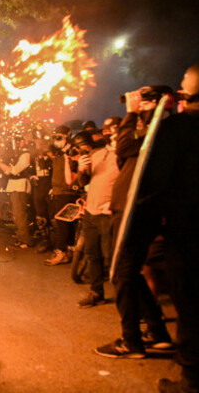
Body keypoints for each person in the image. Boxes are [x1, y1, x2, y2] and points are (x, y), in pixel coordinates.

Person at [134, 63, 199, 393]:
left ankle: (192, 381)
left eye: (185, 89)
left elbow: (151, 185)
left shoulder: (178, 128)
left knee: (190, 308)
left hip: (188, 235)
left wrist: (140, 236)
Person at [95, 87, 174, 359]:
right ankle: (157, 333)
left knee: (122, 274)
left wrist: (130, 114)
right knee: (129, 273)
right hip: (129, 208)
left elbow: (125, 145)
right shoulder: (151, 132)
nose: (139, 105)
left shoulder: (160, 130)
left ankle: (131, 342)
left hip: (136, 212)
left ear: (157, 103)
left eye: (145, 101)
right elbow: (126, 159)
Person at [71, 122, 120, 308]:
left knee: (112, 259)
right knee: (92, 254)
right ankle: (96, 292)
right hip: (91, 212)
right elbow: (84, 182)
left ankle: (128, 299)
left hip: (109, 214)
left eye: (113, 129)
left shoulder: (125, 156)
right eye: (106, 129)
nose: (108, 132)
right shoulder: (95, 154)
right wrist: (81, 169)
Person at [45, 125, 79, 265]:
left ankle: (61, 252)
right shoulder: (59, 153)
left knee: (63, 225)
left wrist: (69, 156)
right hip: (59, 192)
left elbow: (74, 176)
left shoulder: (73, 152)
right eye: (55, 137)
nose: (56, 140)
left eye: (59, 137)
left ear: (68, 136)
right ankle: (68, 252)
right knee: (65, 224)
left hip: (67, 193)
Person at [0, 133, 34, 249]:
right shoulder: (15, 154)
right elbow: (8, 172)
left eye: (19, 141)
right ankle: (21, 237)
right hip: (14, 186)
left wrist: (0, 164)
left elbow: (15, 170)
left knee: (20, 214)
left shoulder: (26, 154)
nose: (17, 143)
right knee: (16, 214)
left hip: (20, 186)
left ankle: (26, 240)